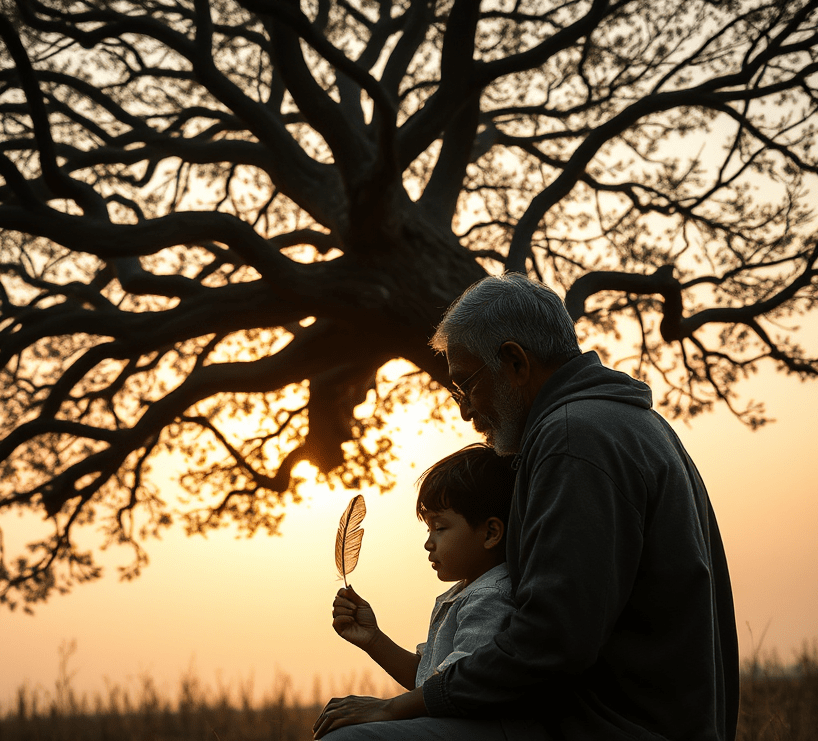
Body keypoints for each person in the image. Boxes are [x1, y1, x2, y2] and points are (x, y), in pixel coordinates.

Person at [314, 273, 739, 741]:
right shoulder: (628, 424)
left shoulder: (574, 440)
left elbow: (551, 642)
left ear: (514, 361)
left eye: (466, 385)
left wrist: (397, 709)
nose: (463, 410)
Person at [316, 444, 519, 740]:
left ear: (490, 533)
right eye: (428, 530)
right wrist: (373, 639)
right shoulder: (463, 594)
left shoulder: (492, 598)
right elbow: (427, 680)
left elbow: (455, 685)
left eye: (440, 527)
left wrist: (387, 708)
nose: (429, 543)